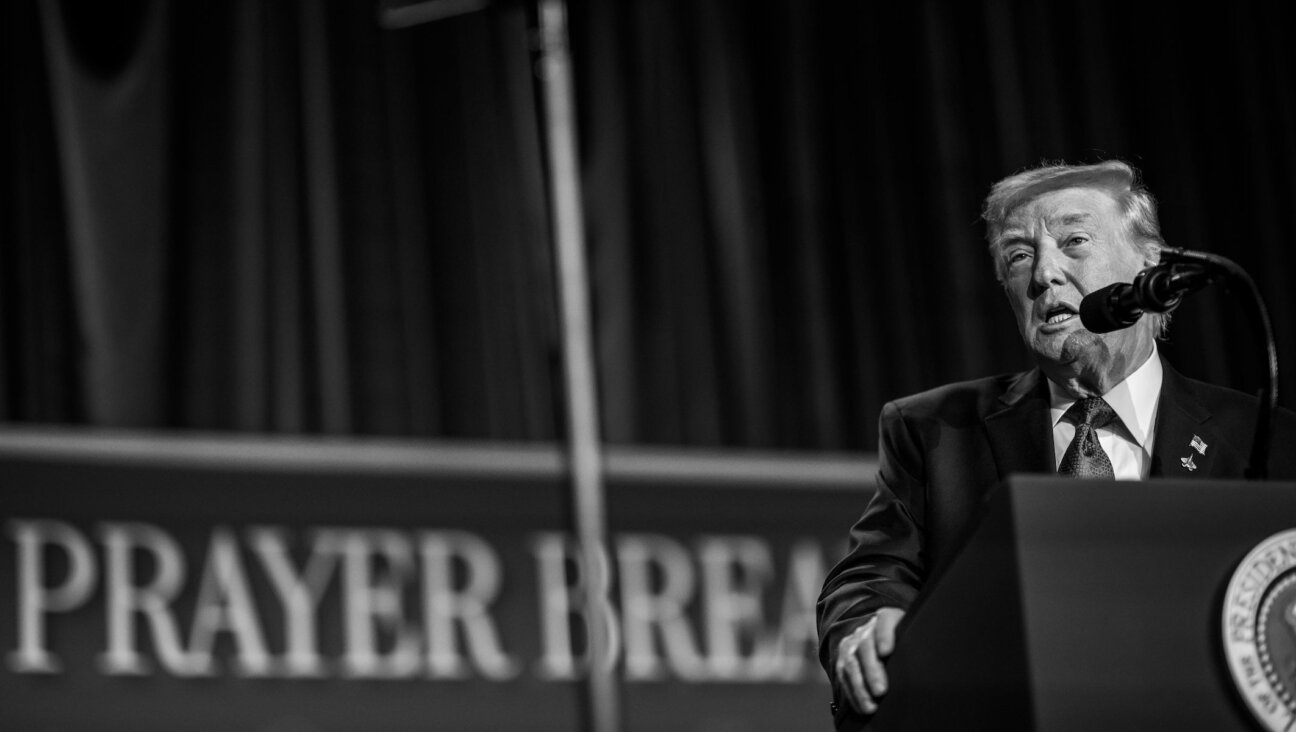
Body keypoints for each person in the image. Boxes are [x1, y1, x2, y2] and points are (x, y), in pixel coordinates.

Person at [816, 160, 1296, 729]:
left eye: (1075, 241)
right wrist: (865, 629)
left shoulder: (1267, 439)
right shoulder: (936, 431)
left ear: (1150, 263)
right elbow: (870, 577)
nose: (1045, 273)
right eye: (1019, 256)